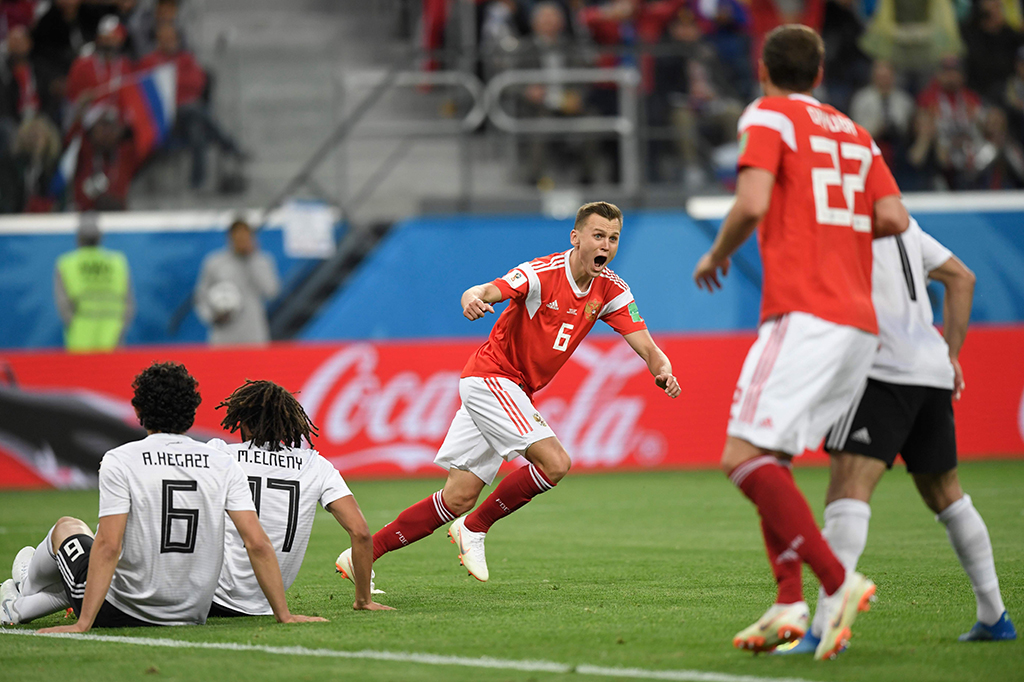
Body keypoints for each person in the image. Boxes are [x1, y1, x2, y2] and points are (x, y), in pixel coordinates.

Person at [692, 24, 908, 661]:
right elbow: (894, 217)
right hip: (857, 325)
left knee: (740, 454)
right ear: (819, 73)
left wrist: (716, 253)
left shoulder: (768, 114)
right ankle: (789, 601)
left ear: (763, 70)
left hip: (804, 312)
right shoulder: (856, 133)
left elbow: (753, 200)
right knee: (772, 457)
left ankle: (837, 584)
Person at [349, 201, 680, 587]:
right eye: (598, 235)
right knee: (555, 462)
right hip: (492, 379)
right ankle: (474, 528)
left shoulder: (611, 289)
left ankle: (364, 554)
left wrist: (663, 370)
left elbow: (647, 345)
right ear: (576, 238)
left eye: (613, 238)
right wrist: (471, 299)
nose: (605, 245)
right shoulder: (542, 273)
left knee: (457, 498)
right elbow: (488, 289)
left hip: (511, 389)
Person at [775, 218, 1016, 654]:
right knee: (947, 494)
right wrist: (952, 355)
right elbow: (963, 277)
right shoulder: (905, 226)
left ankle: (827, 624)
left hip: (880, 370)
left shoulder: (839, 223)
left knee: (847, 490)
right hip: (931, 370)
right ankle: (993, 615)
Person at [0, 362, 326, 630]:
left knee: (68, 528)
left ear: (138, 409)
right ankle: (19, 601)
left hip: (123, 608)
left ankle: (22, 589)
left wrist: (84, 623)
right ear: (192, 410)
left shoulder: (121, 459)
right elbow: (256, 542)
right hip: (193, 609)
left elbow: (109, 546)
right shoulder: (220, 461)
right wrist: (283, 614)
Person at [207, 379, 391, 616]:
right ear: (288, 424)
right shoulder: (315, 465)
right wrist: (364, 600)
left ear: (243, 422)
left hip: (209, 597)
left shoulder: (220, 454)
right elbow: (361, 532)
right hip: (267, 604)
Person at [54, 213, 134, 352]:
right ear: (100, 237)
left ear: (78, 238)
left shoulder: (66, 263)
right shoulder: (117, 262)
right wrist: (119, 329)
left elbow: (63, 306)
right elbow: (129, 304)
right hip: (113, 339)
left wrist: (75, 326)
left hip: (80, 341)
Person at [194, 218, 280, 346]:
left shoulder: (262, 261)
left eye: (245, 237)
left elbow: (271, 292)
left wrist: (251, 260)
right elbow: (200, 296)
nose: (241, 241)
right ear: (230, 238)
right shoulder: (215, 263)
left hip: (254, 335)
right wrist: (211, 316)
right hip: (223, 336)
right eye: (237, 237)